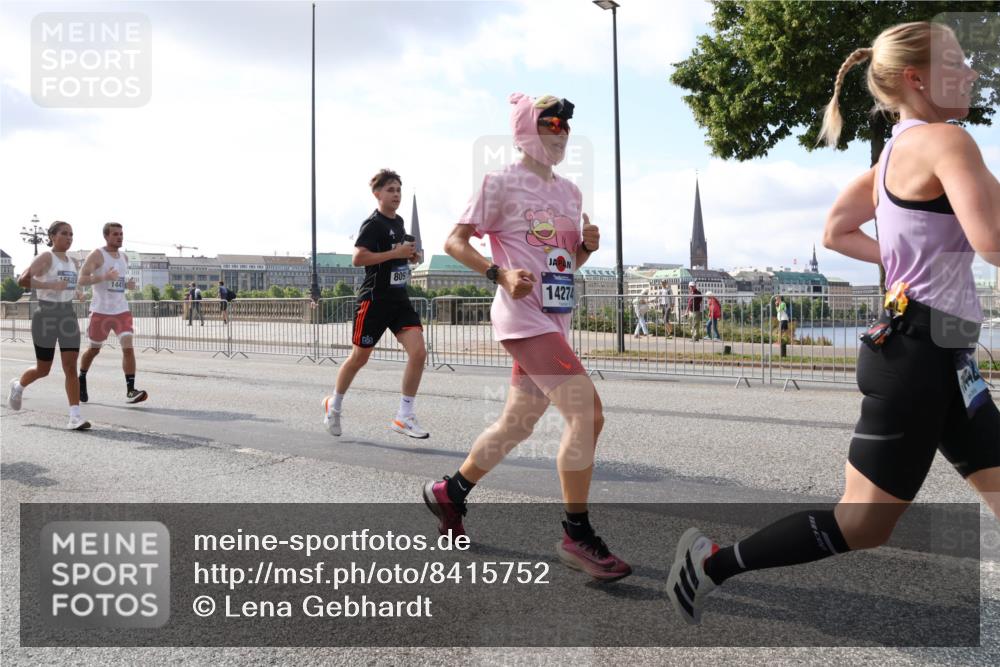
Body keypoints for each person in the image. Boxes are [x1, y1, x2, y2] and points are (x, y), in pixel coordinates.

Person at [667, 21, 1000, 626]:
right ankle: (712, 562)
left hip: (942, 354)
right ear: (916, 78)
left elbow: (835, 231)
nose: (974, 74)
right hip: (919, 357)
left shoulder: (896, 149)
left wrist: (904, 263)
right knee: (860, 525)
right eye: (958, 62)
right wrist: (919, 265)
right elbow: (994, 239)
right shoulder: (949, 143)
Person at [422, 92, 631, 581]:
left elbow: (563, 266)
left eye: (565, 126)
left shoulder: (571, 193)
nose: (561, 132)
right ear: (525, 130)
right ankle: (576, 535)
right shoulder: (499, 183)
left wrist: (585, 250)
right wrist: (498, 273)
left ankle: (450, 492)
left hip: (555, 318)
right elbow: (453, 241)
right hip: (523, 318)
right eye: (551, 122)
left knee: (517, 425)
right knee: (588, 413)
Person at [323, 169, 428, 439]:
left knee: (418, 353)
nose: (396, 195)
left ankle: (404, 416)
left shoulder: (400, 222)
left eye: (398, 190)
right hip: (374, 300)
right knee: (360, 358)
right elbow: (358, 258)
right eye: (391, 190)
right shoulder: (373, 224)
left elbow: (397, 258)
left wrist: (410, 257)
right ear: (377, 194)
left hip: (398, 299)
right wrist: (395, 252)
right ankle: (333, 404)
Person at [7, 221, 100, 429]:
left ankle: (74, 417)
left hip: (67, 314)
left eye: (71, 234)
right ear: (52, 236)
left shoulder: (73, 262)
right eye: (64, 234)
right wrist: (49, 285)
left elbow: (69, 284)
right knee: (43, 369)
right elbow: (22, 280)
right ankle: (18, 385)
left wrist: (76, 292)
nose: (69, 237)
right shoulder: (45, 257)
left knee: (70, 367)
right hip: (46, 314)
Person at [77, 222, 148, 405]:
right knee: (94, 350)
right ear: (106, 236)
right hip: (100, 311)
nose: (119, 237)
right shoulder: (97, 254)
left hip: (121, 310)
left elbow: (118, 282)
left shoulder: (124, 257)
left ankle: (131, 390)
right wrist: (104, 277)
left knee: (128, 346)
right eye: (115, 234)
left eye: (121, 233)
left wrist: (128, 285)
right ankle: (81, 378)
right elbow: (82, 279)